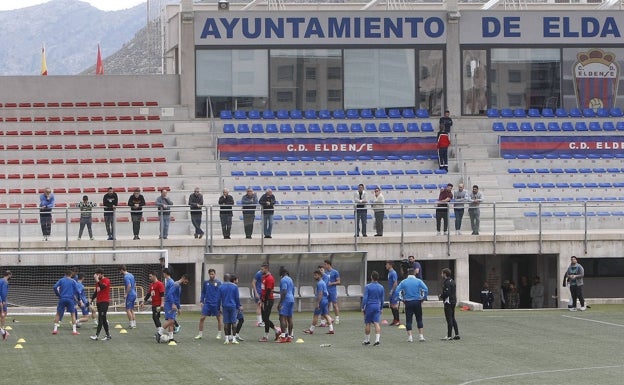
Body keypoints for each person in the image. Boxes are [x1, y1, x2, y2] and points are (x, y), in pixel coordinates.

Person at [395, 268, 429, 342]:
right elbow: (426, 289)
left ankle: (410, 337)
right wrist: (423, 298)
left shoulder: (404, 282)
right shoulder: (418, 281)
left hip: (408, 302)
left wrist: (401, 299)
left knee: (408, 320)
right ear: (414, 273)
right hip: (417, 301)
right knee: (419, 319)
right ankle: (421, 336)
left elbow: (397, 291)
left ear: (408, 273)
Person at [158, 271, 189, 343]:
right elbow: (169, 294)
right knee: (171, 320)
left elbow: (177, 298)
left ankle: (171, 338)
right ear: (184, 278)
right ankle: (159, 333)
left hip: (173, 305)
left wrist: (179, 307)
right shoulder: (176, 284)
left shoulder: (179, 285)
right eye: (187, 281)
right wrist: (173, 304)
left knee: (171, 322)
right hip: (169, 304)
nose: (187, 283)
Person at [303, 269, 335, 335]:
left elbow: (320, 294)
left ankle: (311, 330)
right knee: (325, 315)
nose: (314, 276)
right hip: (325, 300)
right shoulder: (323, 282)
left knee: (315, 315)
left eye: (316, 275)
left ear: (320, 275)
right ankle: (331, 329)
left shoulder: (320, 283)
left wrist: (317, 303)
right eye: (314, 275)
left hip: (322, 301)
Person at [194, 268, 223, 340]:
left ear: (215, 274)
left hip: (215, 304)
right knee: (202, 318)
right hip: (207, 303)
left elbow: (221, 293)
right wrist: (201, 301)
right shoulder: (205, 283)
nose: (211, 275)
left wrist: (220, 304)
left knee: (218, 318)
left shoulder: (219, 283)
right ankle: (200, 334)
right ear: (208, 274)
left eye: (212, 274)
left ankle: (219, 334)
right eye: (210, 274)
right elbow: (203, 292)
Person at [52, 270, 81, 336]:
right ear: (71, 275)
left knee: (58, 314)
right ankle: (74, 331)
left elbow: (54, 287)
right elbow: (78, 291)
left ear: (65, 274)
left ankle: (55, 330)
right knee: (73, 314)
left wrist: (58, 295)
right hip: (70, 299)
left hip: (62, 298)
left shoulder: (61, 280)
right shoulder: (73, 281)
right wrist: (79, 300)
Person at [258, 262, 281, 342]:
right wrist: (261, 299)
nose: (261, 271)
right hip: (264, 300)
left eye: (262, 269)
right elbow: (263, 290)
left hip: (268, 300)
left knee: (266, 318)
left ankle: (266, 336)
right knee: (264, 318)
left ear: (266, 269)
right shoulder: (263, 277)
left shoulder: (270, 278)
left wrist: (264, 300)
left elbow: (268, 291)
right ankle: (276, 330)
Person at [361, 271, 384, 346]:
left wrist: (362, 307)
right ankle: (377, 340)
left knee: (368, 323)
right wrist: (381, 308)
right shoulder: (381, 287)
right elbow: (382, 299)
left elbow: (365, 298)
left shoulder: (368, 286)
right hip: (377, 306)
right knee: (376, 323)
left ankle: (367, 340)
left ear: (371, 277)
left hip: (369, 306)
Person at [90, 268, 112, 341]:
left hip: (104, 302)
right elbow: (97, 291)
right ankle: (108, 335)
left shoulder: (106, 280)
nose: (96, 275)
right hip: (99, 302)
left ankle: (96, 335)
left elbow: (102, 287)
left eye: (98, 274)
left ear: (102, 274)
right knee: (104, 319)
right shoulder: (98, 282)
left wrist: (97, 280)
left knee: (101, 318)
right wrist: (91, 299)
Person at [219, 273, 241, 345]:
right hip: (233, 306)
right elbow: (237, 298)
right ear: (229, 278)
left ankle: (226, 339)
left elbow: (219, 298)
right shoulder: (234, 286)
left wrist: (218, 307)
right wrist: (238, 306)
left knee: (226, 323)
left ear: (224, 279)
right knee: (234, 322)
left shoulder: (221, 287)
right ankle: (234, 339)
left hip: (225, 306)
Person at [439, 268, 460, 340]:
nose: (441, 275)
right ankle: (457, 334)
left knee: (449, 319)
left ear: (445, 274)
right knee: (453, 317)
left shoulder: (447, 282)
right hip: (453, 301)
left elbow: (447, 293)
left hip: (448, 302)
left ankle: (449, 335)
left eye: (442, 273)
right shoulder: (453, 281)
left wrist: (441, 296)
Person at [277, 266, 295, 343]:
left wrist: (280, 303)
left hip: (286, 300)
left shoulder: (283, 280)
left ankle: (283, 336)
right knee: (289, 318)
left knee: (282, 318)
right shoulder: (290, 279)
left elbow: (284, 291)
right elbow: (292, 290)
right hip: (291, 299)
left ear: (283, 273)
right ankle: (290, 337)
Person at [323, 259, 341, 324]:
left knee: (334, 304)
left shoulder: (335, 272)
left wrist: (332, 283)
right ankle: (328, 319)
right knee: (326, 305)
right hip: (326, 291)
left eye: (325, 264)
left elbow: (339, 282)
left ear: (328, 264)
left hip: (332, 291)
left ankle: (337, 318)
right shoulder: (325, 273)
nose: (324, 266)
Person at [231, 275, 246, 342]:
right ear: (234, 280)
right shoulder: (234, 287)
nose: (238, 281)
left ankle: (236, 334)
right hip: (235, 306)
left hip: (236, 306)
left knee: (241, 320)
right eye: (237, 279)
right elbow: (235, 298)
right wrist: (239, 306)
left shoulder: (233, 287)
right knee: (233, 321)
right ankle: (231, 336)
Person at [385, 261, 400, 326]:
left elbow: (395, 283)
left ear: (390, 265)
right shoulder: (389, 272)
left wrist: (392, 291)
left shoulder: (393, 273)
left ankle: (398, 320)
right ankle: (395, 320)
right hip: (392, 291)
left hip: (394, 292)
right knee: (391, 306)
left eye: (387, 264)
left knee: (394, 306)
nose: (386, 265)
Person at [0, 270, 12, 341]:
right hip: (2, 301)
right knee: (3, 315)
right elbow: (3, 293)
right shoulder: (5, 282)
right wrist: (3, 301)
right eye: (11, 275)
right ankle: (3, 331)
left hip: (1, 301)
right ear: (8, 275)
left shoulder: (1, 280)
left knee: (3, 315)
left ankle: (3, 331)